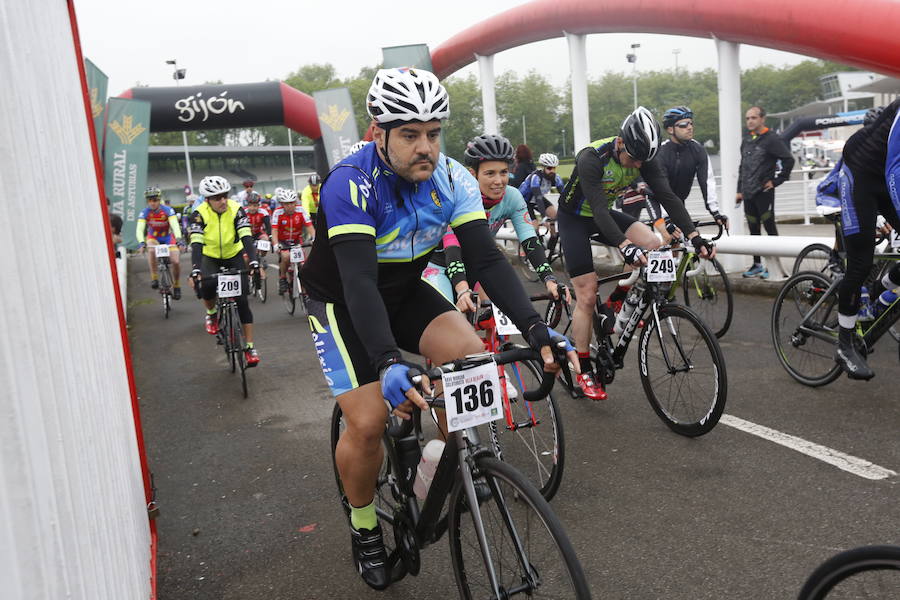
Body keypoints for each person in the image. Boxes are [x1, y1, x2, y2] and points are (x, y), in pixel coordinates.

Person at [299, 67, 574, 590]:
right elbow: (358, 283)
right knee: (368, 422)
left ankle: (456, 464)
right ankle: (364, 529)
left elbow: (487, 261)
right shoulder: (350, 182)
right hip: (340, 297)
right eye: (409, 134)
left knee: (470, 356)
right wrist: (385, 362)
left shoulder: (453, 178)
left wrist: (537, 331)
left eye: (433, 133)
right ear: (378, 131)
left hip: (402, 289)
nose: (424, 146)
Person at [556, 106, 715, 399]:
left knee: (654, 244)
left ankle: (619, 300)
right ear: (620, 143)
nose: (637, 165)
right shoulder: (592, 158)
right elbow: (600, 209)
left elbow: (668, 197)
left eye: (643, 161)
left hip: (604, 215)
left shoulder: (645, 159)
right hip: (575, 218)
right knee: (587, 294)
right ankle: (584, 369)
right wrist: (625, 246)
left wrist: (695, 236)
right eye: (633, 158)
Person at [829, 98, 900, 379]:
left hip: (886, 178)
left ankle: (877, 294)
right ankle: (844, 344)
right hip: (860, 176)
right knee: (860, 265)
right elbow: (895, 167)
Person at [188, 176, 260, 366]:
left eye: (224, 196)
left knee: (242, 300)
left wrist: (253, 262)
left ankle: (250, 346)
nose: (222, 201)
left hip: (233, 254)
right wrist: (196, 269)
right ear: (207, 200)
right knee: (208, 285)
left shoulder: (237, 210)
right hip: (209, 256)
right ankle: (211, 312)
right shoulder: (198, 214)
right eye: (217, 198)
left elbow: (246, 237)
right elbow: (196, 244)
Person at [737, 106, 795, 278]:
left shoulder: (772, 139)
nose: (750, 121)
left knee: (769, 227)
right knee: (753, 229)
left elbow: (788, 160)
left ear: (762, 119)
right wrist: (739, 190)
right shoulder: (747, 138)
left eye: (753, 118)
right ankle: (757, 264)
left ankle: (775, 266)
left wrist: (777, 181)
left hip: (764, 192)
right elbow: (743, 166)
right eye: (747, 118)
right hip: (748, 193)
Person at [651, 106, 728, 232]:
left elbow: (707, 181)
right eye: (683, 124)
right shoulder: (662, 153)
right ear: (670, 129)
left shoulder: (698, 150)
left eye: (691, 123)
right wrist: (666, 219)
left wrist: (715, 212)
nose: (689, 127)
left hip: (678, 202)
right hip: (657, 202)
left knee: (688, 238)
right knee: (668, 239)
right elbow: (662, 190)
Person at [137, 186, 184, 299]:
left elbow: (175, 225)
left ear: (159, 200)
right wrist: (141, 242)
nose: (152, 203)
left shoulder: (167, 210)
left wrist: (178, 239)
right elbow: (140, 229)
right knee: (151, 250)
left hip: (168, 238)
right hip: (153, 238)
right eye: (149, 200)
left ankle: (177, 285)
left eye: (155, 200)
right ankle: (154, 278)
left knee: (176, 261)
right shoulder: (145, 212)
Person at [271, 188, 315, 294]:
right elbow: (274, 230)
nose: (289, 206)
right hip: (283, 241)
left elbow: (309, 226)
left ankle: (304, 286)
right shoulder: (278, 212)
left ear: (295, 202)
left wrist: (314, 238)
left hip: (296, 240)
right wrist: (276, 244)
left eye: (291, 203)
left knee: (303, 264)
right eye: (286, 204)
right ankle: (282, 278)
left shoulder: (301, 210)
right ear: (282, 204)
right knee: (286, 257)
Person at [244, 194, 272, 281]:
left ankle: (262, 258)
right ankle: (248, 273)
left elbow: (268, 227)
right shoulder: (243, 212)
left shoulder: (263, 212)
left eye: (255, 205)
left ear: (258, 205)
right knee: (246, 258)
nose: (253, 208)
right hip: (246, 235)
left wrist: (270, 236)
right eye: (251, 205)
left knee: (266, 240)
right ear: (247, 205)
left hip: (258, 233)